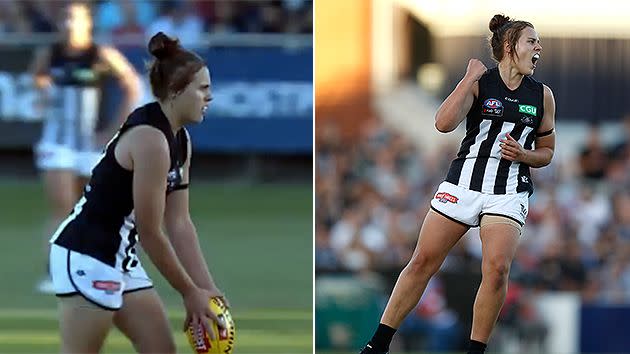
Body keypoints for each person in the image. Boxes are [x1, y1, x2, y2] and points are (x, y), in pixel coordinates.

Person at [359, 14, 556, 354]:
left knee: (497, 270)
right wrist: (467, 80)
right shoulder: (481, 82)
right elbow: (443, 123)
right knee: (422, 262)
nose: (538, 47)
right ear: (509, 47)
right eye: (531, 41)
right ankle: (378, 345)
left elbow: (547, 151)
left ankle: (475, 351)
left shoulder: (542, 95)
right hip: (463, 183)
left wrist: (525, 155)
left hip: (507, 191)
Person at [47, 31, 226, 354]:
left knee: (160, 349)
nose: (210, 98)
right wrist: (188, 292)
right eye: (203, 89)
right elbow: (151, 232)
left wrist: (206, 288)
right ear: (175, 90)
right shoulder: (150, 140)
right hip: (88, 253)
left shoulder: (180, 141)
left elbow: (180, 223)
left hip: (120, 258)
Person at [30, 1, 141, 293]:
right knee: (62, 207)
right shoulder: (50, 54)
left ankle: (97, 266)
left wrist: (114, 129)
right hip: (57, 142)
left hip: (90, 144)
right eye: (65, 19)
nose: (69, 25)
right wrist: (42, 93)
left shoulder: (101, 55)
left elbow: (132, 85)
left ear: (87, 24)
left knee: (92, 209)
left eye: (75, 20)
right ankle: (54, 270)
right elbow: (37, 76)